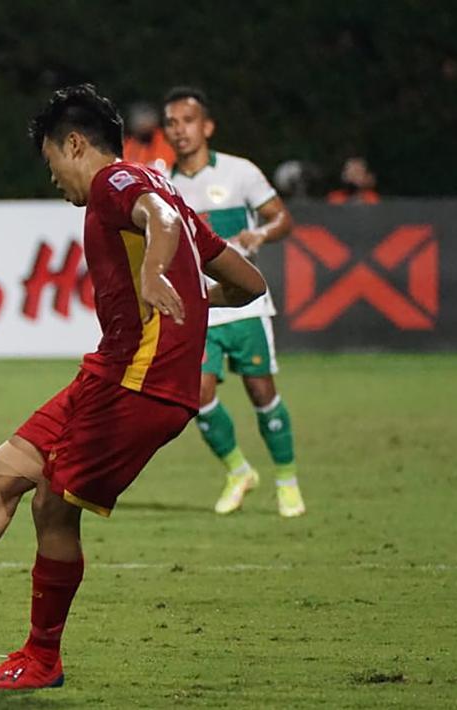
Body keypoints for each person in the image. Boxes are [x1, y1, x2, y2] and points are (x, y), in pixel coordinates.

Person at [0, 84, 267, 689]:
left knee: (52, 506)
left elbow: (159, 220)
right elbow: (250, 284)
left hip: (139, 384)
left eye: (52, 160)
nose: (54, 177)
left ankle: (41, 658)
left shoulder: (115, 183)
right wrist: (190, 293)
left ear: (75, 145)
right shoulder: (165, 190)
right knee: (0, 473)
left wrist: (156, 273)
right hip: (110, 372)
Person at [162, 86, 305, 517]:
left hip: (244, 305)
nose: (180, 130)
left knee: (261, 393)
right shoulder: (164, 184)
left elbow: (282, 218)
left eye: (188, 121)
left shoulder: (240, 172)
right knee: (196, 396)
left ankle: (287, 481)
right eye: (172, 123)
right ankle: (239, 471)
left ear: (207, 127)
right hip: (202, 306)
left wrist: (260, 234)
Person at [121, 102, 175, 175]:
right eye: (140, 122)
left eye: (146, 121)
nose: (143, 125)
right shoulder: (128, 145)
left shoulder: (168, 139)